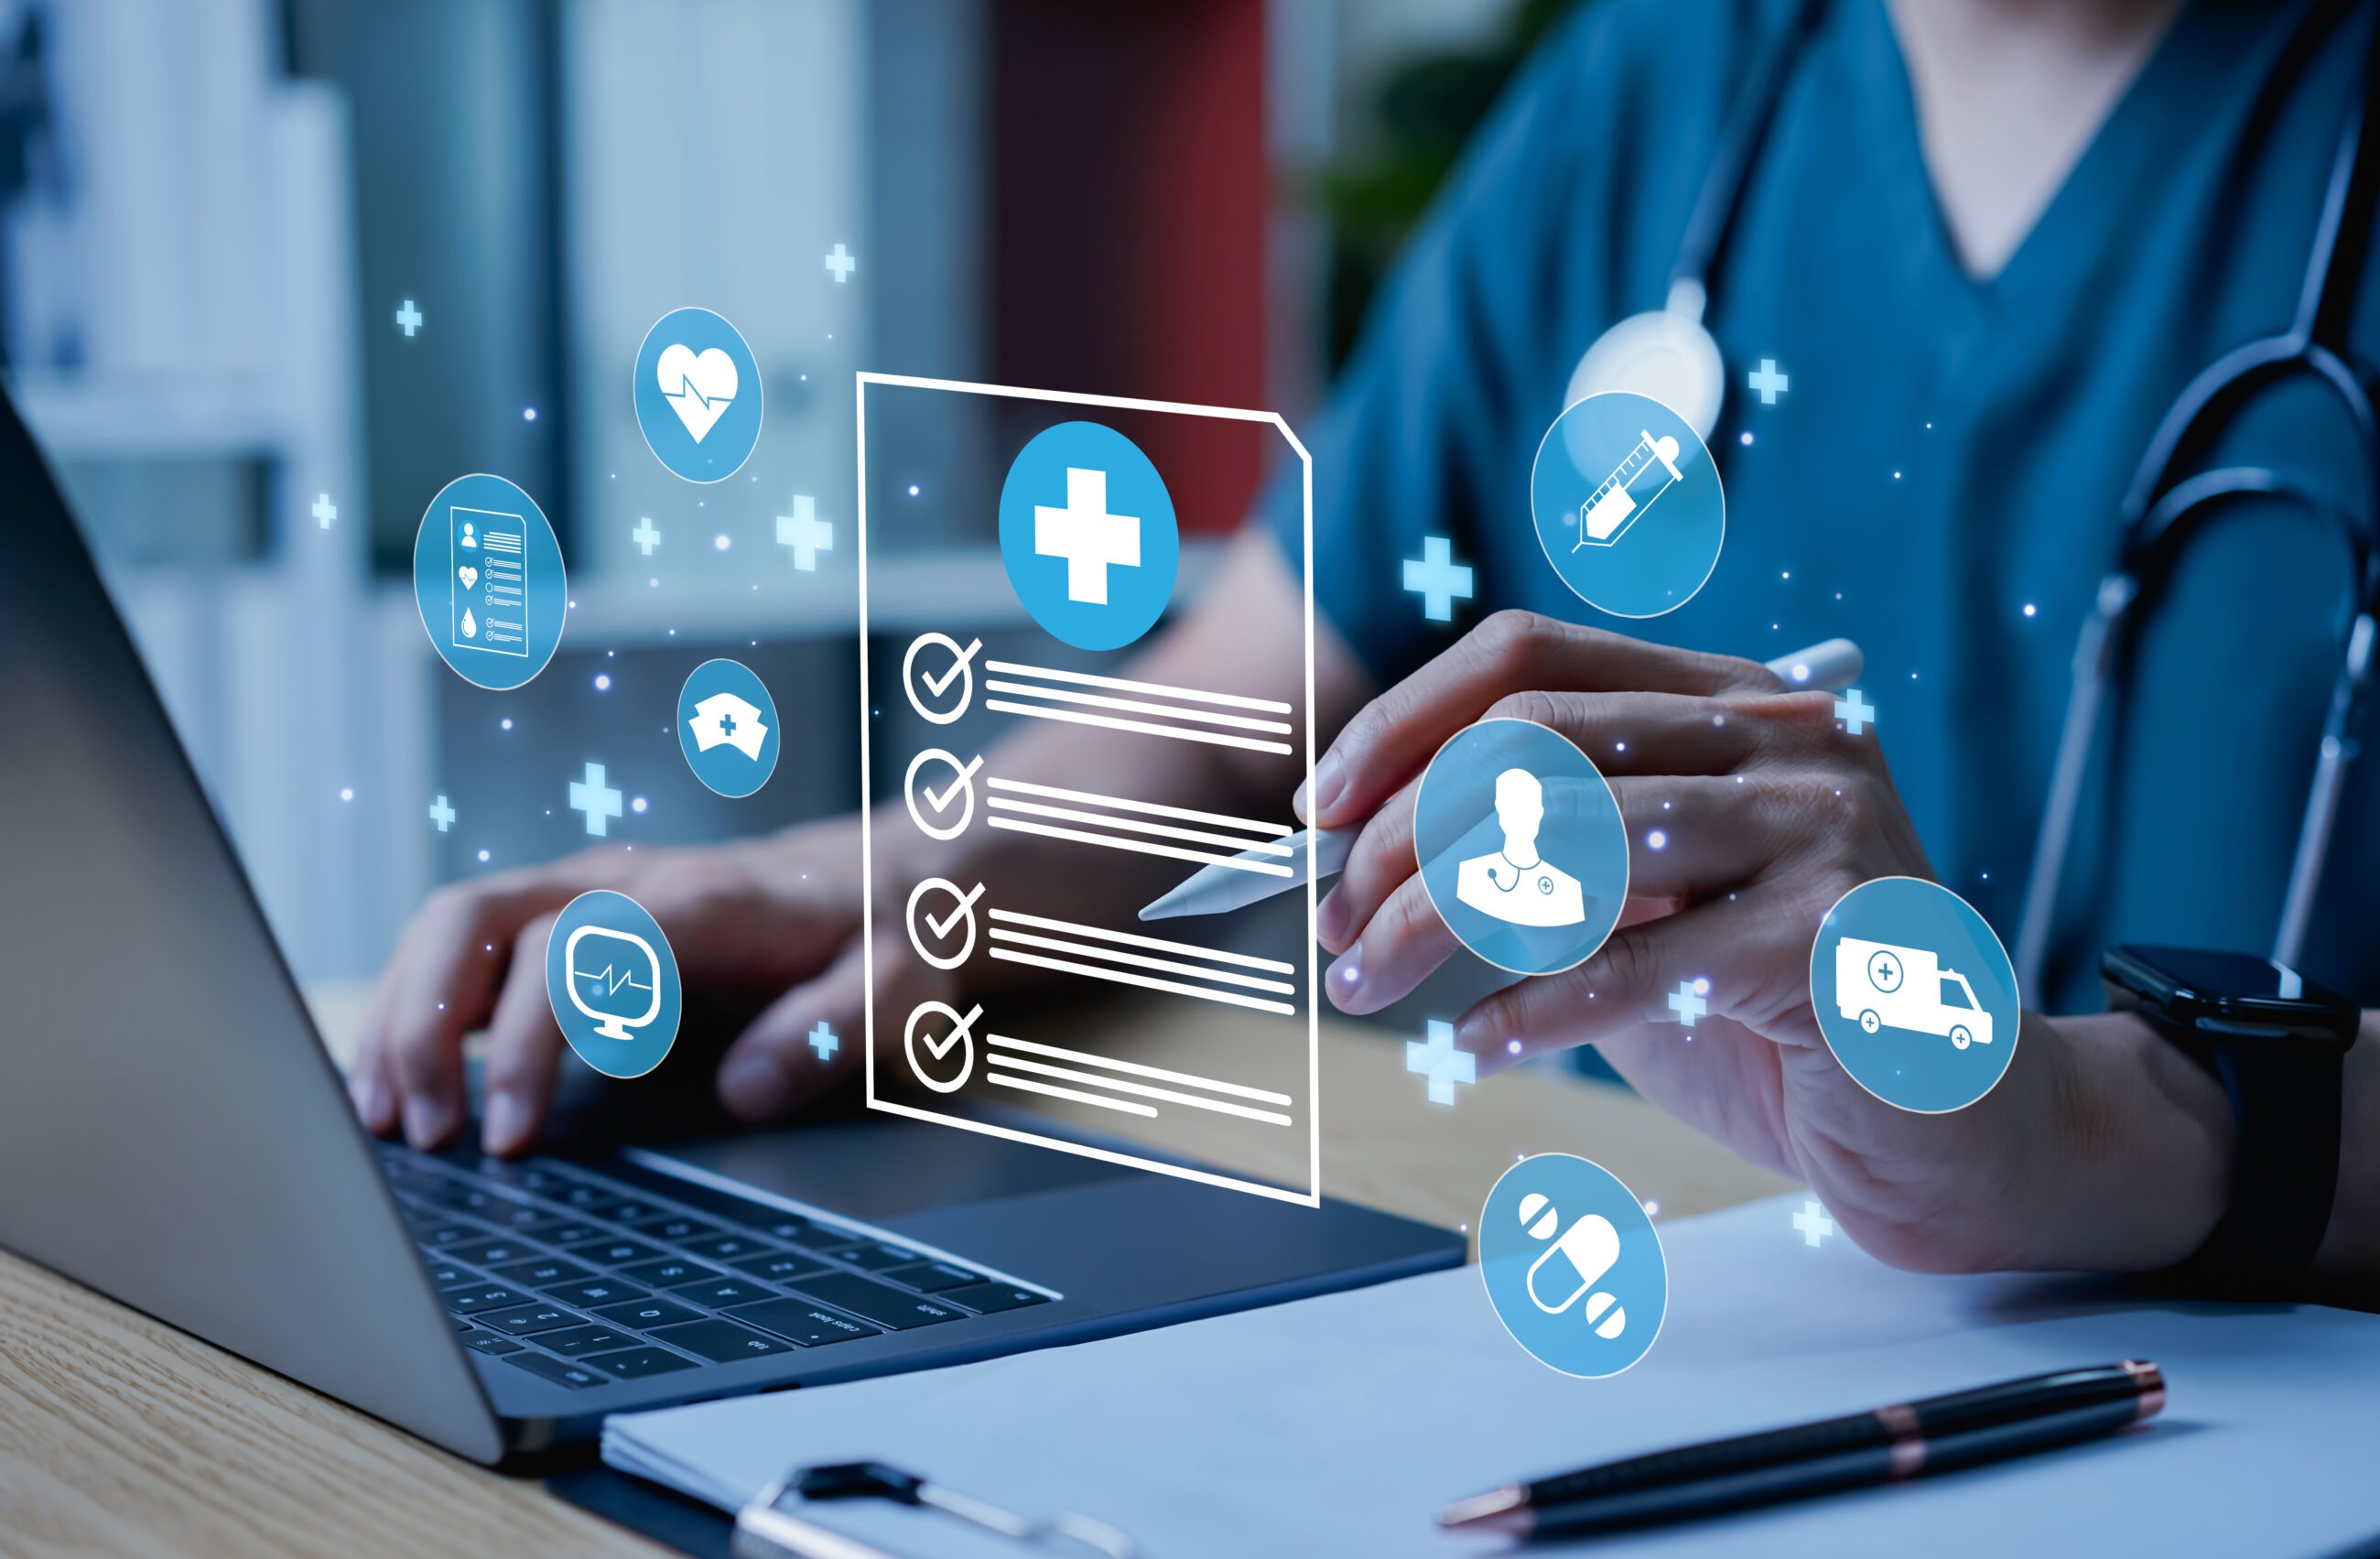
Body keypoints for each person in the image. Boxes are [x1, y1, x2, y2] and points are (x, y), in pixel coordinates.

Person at [353, 0, 2379, 1301]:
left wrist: (2126, 1131)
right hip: (1659, 1342)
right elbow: (1258, 698)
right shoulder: (1666, 89)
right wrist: (834, 886)